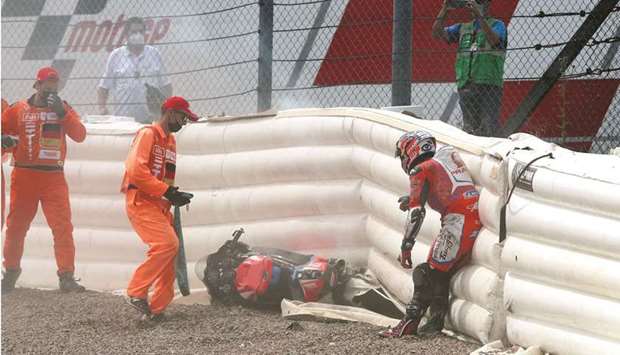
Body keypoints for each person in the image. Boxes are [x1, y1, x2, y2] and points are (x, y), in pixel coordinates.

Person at [380, 130, 482, 338]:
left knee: (424, 273)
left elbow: (417, 213)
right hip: (470, 216)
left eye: (402, 154)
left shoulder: (420, 169)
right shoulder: (445, 156)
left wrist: (406, 246)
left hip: (458, 222)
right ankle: (436, 321)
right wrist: (414, 197)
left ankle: (409, 323)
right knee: (437, 270)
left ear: (410, 149)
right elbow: (447, 188)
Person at [1, 67, 87, 293]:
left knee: (62, 227)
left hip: (53, 177)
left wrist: (62, 113)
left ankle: (66, 276)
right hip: (24, 174)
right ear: (36, 85)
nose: (49, 91)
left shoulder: (63, 107)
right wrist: (4, 140)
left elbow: (80, 135)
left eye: (53, 87)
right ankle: (10, 273)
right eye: (45, 87)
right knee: (16, 227)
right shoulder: (16, 110)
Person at [121, 96, 198, 322]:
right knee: (167, 244)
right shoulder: (148, 134)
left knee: (170, 254)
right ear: (171, 113)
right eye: (183, 117)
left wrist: (174, 195)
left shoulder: (171, 142)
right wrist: (166, 191)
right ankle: (136, 292)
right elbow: (136, 170)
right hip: (141, 201)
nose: (184, 123)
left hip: (160, 204)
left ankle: (156, 310)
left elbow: (165, 179)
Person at [432, 0, 507, 137]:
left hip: (489, 85)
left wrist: (480, 17)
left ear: (487, 4)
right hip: (466, 84)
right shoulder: (463, 28)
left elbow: (494, 40)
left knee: (488, 127)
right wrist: (445, 9)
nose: (474, 5)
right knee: (469, 130)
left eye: (479, 2)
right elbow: (436, 33)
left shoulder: (498, 25)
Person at [97, 17, 172, 124]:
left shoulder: (154, 54)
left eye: (141, 32)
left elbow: (166, 85)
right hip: (123, 121)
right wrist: (102, 108)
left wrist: (166, 109)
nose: (138, 35)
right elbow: (103, 87)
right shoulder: (116, 55)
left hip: (151, 120)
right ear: (126, 34)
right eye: (134, 32)